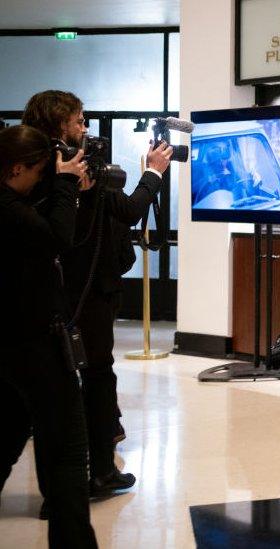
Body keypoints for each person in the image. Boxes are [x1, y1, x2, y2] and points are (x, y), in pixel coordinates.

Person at [21, 90, 173, 497]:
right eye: (79, 121)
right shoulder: (67, 177)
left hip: (44, 294)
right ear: (59, 126)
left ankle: (74, 479)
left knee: (57, 385)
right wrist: (154, 173)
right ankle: (101, 470)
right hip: (87, 290)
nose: (85, 129)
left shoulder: (28, 177)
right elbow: (127, 211)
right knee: (97, 374)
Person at [0, 124, 99, 547]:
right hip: (33, 344)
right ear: (17, 167)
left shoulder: (14, 203)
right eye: (39, 171)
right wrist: (64, 185)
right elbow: (58, 237)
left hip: (10, 348)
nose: (42, 178)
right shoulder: (7, 208)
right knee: (67, 459)